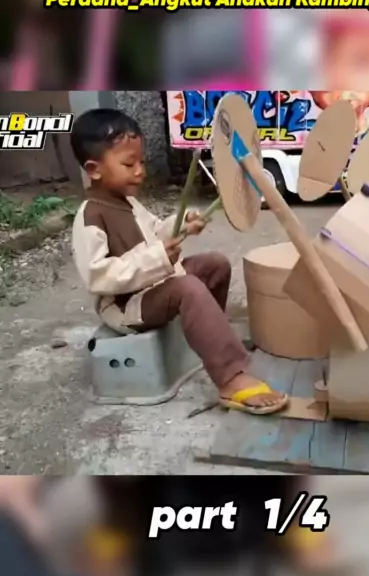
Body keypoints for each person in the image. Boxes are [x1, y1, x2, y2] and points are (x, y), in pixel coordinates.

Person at [69, 108, 288, 416]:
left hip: (152, 286)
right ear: (94, 169)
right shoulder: (90, 216)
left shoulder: (127, 202)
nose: (140, 171)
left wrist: (184, 223)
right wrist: (158, 258)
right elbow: (99, 276)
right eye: (129, 164)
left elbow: (157, 229)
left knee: (215, 265)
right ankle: (231, 376)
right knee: (188, 288)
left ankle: (213, 340)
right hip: (126, 306)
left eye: (141, 162)